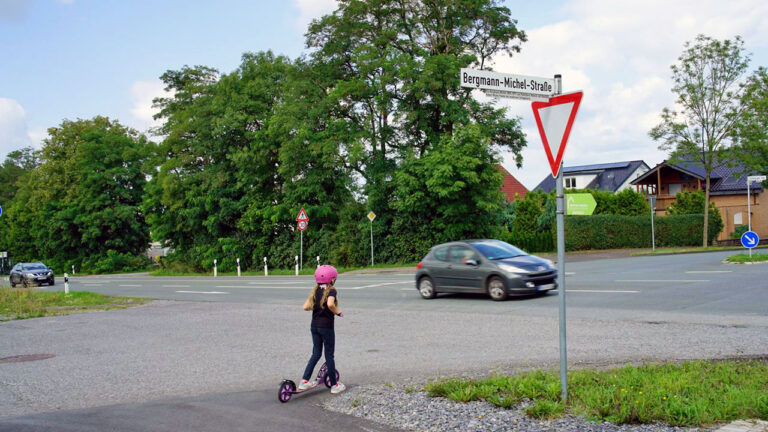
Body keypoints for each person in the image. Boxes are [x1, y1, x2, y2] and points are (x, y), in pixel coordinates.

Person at [298, 264, 345, 394]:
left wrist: (317, 307)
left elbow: (305, 307)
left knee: (316, 353)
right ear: (331, 279)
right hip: (326, 327)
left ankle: (304, 381)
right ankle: (334, 385)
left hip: (314, 326)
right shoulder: (332, 291)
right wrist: (338, 312)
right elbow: (330, 303)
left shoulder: (316, 290)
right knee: (329, 355)